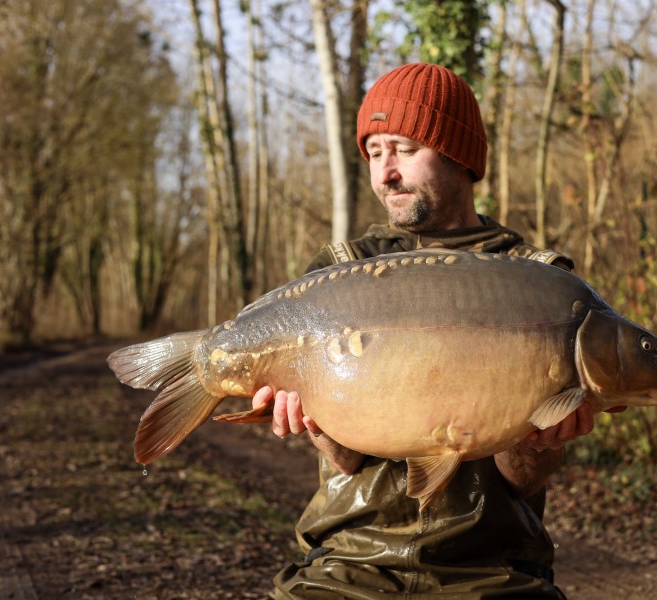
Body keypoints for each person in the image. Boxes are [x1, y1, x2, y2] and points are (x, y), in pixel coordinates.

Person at [252, 62, 621, 599]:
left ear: (459, 155)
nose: (385, 174)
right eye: (374, 154)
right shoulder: (341, 270)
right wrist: (314, 421)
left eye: (402, 149)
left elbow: (520, 482)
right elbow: (349, 461)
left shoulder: (537, 277)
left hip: (491, 570)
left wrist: (542, 443)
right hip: (351, 562)